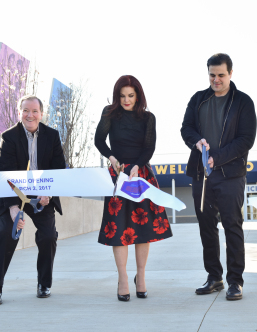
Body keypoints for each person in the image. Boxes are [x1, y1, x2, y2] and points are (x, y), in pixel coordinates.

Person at [180, 53, 257, 301]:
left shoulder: (243, 102)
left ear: (230, 74)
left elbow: (246, 139)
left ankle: (235, 281)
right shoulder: (199, 99)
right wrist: (197, 142)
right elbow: (186, 128)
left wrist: (219, 157)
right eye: (212, 75)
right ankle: (214, 278)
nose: (216, 80)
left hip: (230, 175)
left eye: (221, 75)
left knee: (232, 226)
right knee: (206, 226)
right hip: (201, 175)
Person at [95, 75, 172, 302]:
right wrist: (111, 158)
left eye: (130, 95)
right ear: (117, 96)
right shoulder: (109, 113)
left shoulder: (148, 118)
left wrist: (137, 166)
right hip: (118, 176)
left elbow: (149, 147)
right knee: (119, 230)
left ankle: (141, 276)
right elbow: (99, 140)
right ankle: (123, 279)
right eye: (122, 96)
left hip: (140, 175)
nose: (126, 100)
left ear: (138, 95)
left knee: (142, 229)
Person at [0, 95, 66, 305]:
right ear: (19, 112)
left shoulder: (52, 136)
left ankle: (44, 283)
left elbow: (59, 169)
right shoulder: (9, 137)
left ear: (41, 114)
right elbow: (4, 173)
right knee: (5, 233)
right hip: (13, 194)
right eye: (25, 110)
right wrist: (13, 207)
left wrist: (48, 192)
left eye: (34, 111)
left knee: (48, 236)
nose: (29, 115)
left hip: (42, 195)